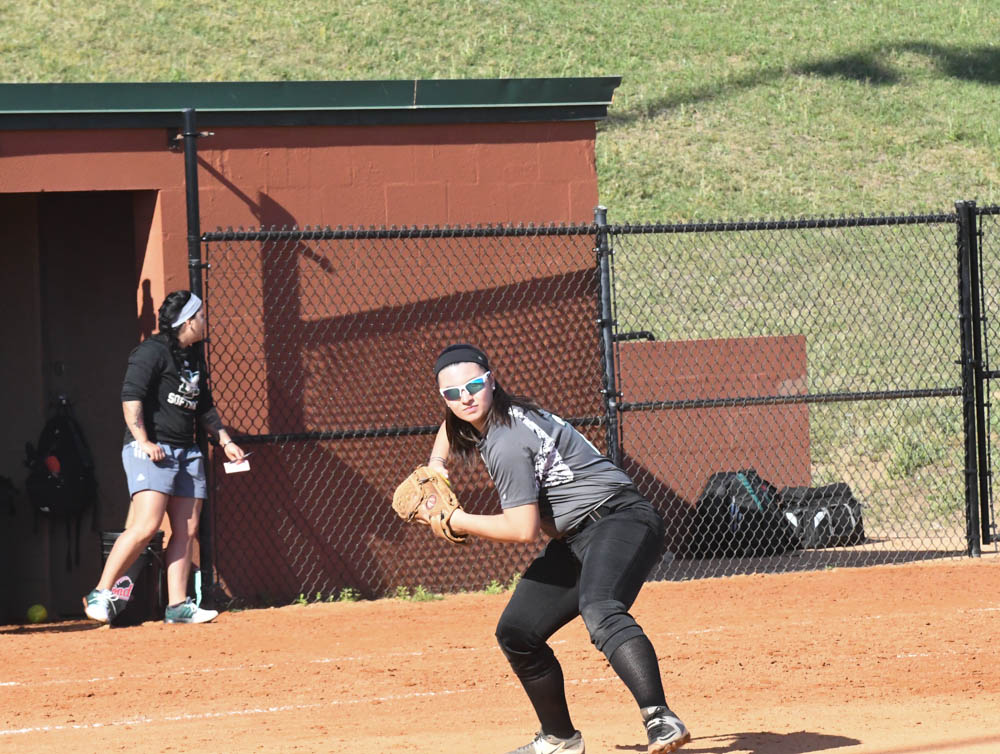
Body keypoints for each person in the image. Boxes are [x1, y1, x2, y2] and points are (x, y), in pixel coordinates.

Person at [423, 344, 691, 754]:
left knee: (600, 608)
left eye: (474, 385)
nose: (466, 398)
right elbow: (450, 425)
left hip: (621, 519)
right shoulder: (497, 412)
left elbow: (522, 529)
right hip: (578, 537)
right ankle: (560, 739)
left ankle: (660, 718)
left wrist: (455, 521)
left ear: (491, 381)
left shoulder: (506, 441)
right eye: (452, 393)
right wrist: (437, 464)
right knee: (517, 631)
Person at [83, 290, 245, 625]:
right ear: (188, 321)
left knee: (187, 529)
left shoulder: (193, 356)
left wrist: (225, 440)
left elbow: (204, 406)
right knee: (146, 525)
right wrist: (143, 441)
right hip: (153, 450)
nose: (205, 320)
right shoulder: (151, 351)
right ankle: (100, 592)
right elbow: (131, 397)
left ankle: (178, 606)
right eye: (201, 315)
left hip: (187, 452)